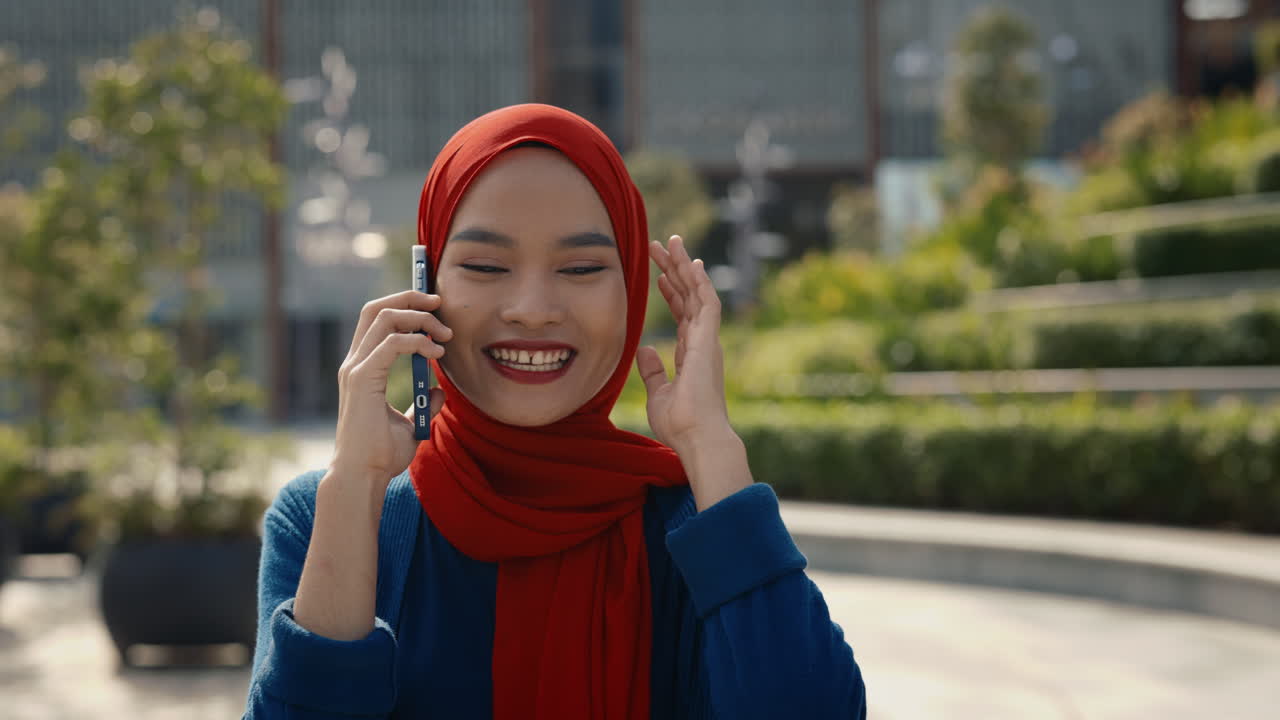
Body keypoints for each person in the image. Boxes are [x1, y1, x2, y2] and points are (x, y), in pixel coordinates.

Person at [242, 103, 866, 719]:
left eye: (582, 267)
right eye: (486, 266)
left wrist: (711, 448)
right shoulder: (330, 516)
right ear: (426, 286)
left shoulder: (694, 526)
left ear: (631, 292)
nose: (533, 308)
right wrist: (354, 485)